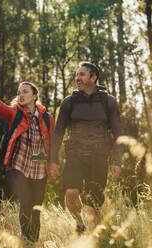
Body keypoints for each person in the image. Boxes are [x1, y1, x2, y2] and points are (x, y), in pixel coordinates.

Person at [0, 73, 54, 245]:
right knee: (26, 199)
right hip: (17, 165)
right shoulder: (14, 113)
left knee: (36, 207)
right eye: (19, 92)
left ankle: (33, 241)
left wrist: (52, 163)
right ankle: (26, 239)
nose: (20, 95)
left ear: (35, 95)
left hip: (38, 168)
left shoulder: (47, 117)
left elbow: (50, 143)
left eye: (25, 92)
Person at [49, 62, 124, 233]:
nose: (78, 78)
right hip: (75, 154)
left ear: (93, 77)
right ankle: (79, 222)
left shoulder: (108, 101)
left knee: (94, 202)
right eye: (77, 75)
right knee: (71, 192)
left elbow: (119, 134)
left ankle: (94, 237)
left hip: (99, 156)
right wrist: (53, 161)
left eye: (82, 74)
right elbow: (58, 133)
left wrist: (117, 162)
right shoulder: (69, 102)